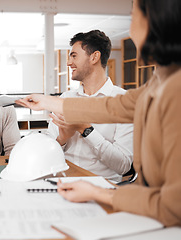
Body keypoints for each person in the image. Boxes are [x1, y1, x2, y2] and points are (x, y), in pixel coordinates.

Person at [17, 0, 181, 227]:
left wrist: (97, 191)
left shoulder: (175, 89)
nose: (131, 29)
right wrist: (49, 102)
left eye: (134, 18)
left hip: (146, 210)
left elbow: (172, 204)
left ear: (156, 22)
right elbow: (114, 107)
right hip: (88, 190)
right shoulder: (157, 82)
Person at [47, 30, 133, 182]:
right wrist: (62, 139)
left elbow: (124, 166)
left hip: (102, 187)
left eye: (74, 56)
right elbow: (47, 155)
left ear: (94, 57)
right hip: (63, 183)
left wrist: (85, 129)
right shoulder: (65, 99)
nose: (68, 62)